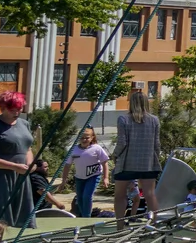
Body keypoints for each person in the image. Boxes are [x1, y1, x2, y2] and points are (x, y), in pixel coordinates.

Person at [0, 93, 41, 243]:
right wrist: (14, 166)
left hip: (19, 177)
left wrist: (30, 165)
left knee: (18, 219)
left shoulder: (24, 124)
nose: (17, 112)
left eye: (19, 108)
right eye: (12, 109)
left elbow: (27, 148)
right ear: (3, 107)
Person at [113, 88, 164, 228]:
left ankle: (119, 225)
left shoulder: (123, 119)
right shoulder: (154, 120)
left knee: (120, 195)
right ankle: (154, 223)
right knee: (150, 194)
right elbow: (157, 144)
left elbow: (122, 143)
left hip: (126, 164)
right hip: (147, 163)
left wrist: (115, 155)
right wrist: (155, 158)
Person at [66, 128, 110, 219]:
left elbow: (105, 163)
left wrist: (106, 178)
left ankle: (86, 217)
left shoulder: (96, 148)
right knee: (80, 198)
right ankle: (84, 216)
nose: (84, 140)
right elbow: (67, 165)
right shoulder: (74, 150)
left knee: (87, 196)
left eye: (87, 138)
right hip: (79, 177)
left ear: (92, 138)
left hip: (93, 176)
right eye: (82, 138)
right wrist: (63, 180)